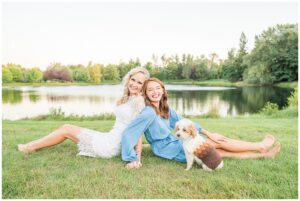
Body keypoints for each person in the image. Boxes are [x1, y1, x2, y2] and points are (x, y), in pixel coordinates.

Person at [121, 78, 281, 169]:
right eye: (150, 90)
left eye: (158, 88)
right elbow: (130, 133)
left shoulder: (164, 108)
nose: (155, 92)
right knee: (212, 144)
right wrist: (133, 158)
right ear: (146, 94)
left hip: (175, 141)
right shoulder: (148, 112)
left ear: (163, 90)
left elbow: (186, 123)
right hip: (166, 149)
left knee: (217, 148)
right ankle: (259, 146)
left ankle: (263, 153)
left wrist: (208, 132)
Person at [18, 67, 150, 165]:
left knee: (66, 129)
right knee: (66, 127)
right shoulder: (129, 98)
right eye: (133, 80)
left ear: (143, 86)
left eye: (140, 83)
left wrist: (136, 159)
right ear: (128, 79)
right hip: (110, 138)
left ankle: (30, 148)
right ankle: (32, 146)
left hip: (109, 146)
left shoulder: (139, 102)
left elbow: (138, 132)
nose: (134, 84)